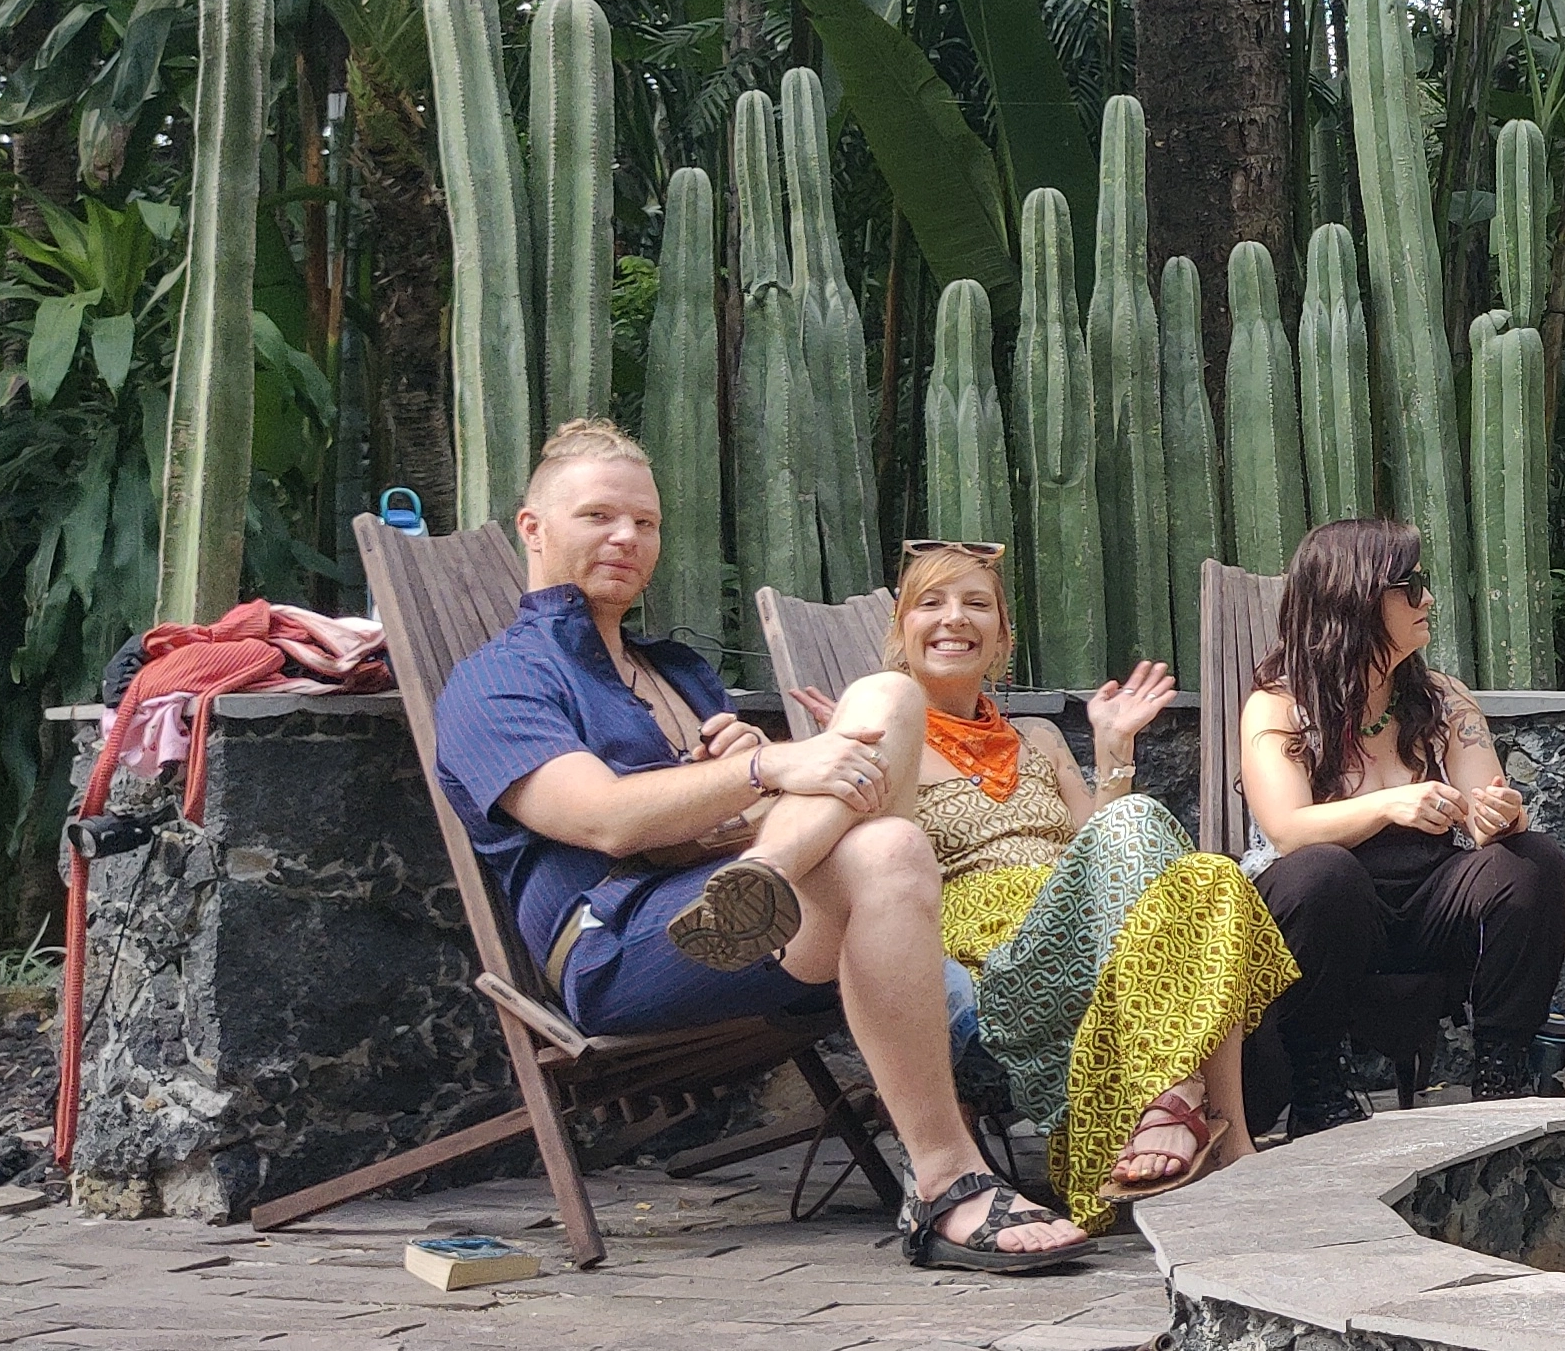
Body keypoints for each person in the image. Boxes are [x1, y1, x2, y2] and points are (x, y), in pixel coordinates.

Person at [432, 421, 1087, 1273]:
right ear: (533, 527)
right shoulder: (500, 679)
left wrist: (758, 795)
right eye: (598, 516)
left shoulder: (674, 672)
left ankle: (765, 881)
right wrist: (765, 766)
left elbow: (724, 815)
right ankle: (947, 1177)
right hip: (618, 945)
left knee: (891, 742)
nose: (627, 538)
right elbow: (604, 821)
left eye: (645, 522)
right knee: (881, 833)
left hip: (736, 899)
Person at [780, 544, 1294, 1229]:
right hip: (992, 973)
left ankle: (1210, 1125)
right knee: (1158, 838)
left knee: (1208, 875)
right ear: (900, 630)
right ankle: (1192, 1109)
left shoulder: (1040, 738)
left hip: (1084, 945)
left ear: (1001, 638)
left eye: (976, 604)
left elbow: (1105, 850)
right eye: (931, 603)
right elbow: (869, 875)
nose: (953, 618)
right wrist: (846, 757)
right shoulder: (878, 741)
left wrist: (1113, 749)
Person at [1239, 519, 1565, 1127]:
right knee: (1323, 874)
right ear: (1358, 600)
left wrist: (1500, 814)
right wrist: (1389, 805)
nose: (1429, 599)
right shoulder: (1279, 706)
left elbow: (1486, 810)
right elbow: (1286, 829)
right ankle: (1317, 1087)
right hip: (1327, 913)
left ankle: (1502, 1072)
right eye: (1411, 586)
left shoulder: (1443, 699)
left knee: (1535, 861)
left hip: (1429, 905)